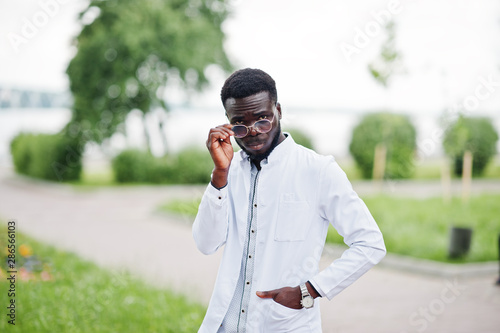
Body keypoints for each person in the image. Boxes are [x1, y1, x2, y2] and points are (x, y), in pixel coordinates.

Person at [193, 68, 386, 332]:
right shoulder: (229, 171)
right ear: (227, 123)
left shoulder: (318, 170)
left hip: (284, 325)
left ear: (278, 111)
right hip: (225, 325)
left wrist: (311, 290)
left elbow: (370, 243)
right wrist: (219, 175)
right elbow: (206, 244)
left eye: (263, 119)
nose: (253, 133)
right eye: (240, 125)